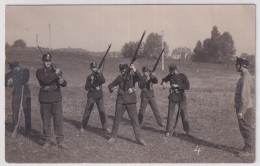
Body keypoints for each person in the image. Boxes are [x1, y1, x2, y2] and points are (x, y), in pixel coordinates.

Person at [107, 63, 147, 146]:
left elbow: (141, 79)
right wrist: (111, 88)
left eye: (124, 71)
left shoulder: (133, 77)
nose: (122, 72)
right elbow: (110, 84)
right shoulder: (119, 78)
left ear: (128, 70)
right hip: (120, 101)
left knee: (135, 121)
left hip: (131, 101)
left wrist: (135, 69)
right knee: (117, 119)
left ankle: (139, 138)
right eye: (121, 71)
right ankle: (113, 137)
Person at [36, 53, 68, 149]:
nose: (48, 63)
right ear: (43, 61)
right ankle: (47, 141)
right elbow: (45, 80)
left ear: (51, 61)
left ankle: (60, 141)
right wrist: (56, 73)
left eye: (49, 61)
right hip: (45, 99)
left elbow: (64, 83)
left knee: (58, 121)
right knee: (46, 121)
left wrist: (62, 81)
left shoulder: (55, 70)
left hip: (56, 98)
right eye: (46, 61)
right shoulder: (39, 71)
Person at [80, 62, 110, 133]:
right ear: (91, 68)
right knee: (87, 112)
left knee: (102, 111)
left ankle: (106, 127)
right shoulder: (89, 77)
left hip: (99, 96)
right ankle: (83, 127)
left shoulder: (99, 75)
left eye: (95, 67)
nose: (94, 69)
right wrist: (91, 82)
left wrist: (100, 74)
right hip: (91, 96)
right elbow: (86, 87)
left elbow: (104, 81)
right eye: (93, 67)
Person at [161, 63, 190, 137]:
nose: (170, 72)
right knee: (170, 114)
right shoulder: (170, 75)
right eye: (170, 71)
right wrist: (163, 83)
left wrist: (177, 86)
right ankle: (168, 131)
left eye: (171, 71)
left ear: (175, 70)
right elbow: (164, 79)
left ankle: (187, 130)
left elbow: (187, 86)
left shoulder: (182, 76)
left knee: (184, 113)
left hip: (181, 97)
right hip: (173, 96)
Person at [234, 57, 255, 157]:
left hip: (245, 107)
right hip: (247, 106)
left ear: (241, 66)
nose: (235, 66)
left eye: (237, 65)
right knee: (245, 127)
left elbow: (245, 96)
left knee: (246, 127)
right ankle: (248, 146)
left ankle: (249, 149)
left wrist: (241, 111)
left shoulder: (245, 78)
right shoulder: (245, 76)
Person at [5, 61, 31, 136]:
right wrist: (7, 81)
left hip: (25, 93)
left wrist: (13, 81)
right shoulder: (12, 72)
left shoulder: (25, 71)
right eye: (12, 69)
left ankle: (28, 129)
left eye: (14, 68)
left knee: (27, 111)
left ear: (17, 67)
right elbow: (4, 78)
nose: (13, 70)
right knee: (15, 109)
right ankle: (15, 127)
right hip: (16, 93)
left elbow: (23, 80)